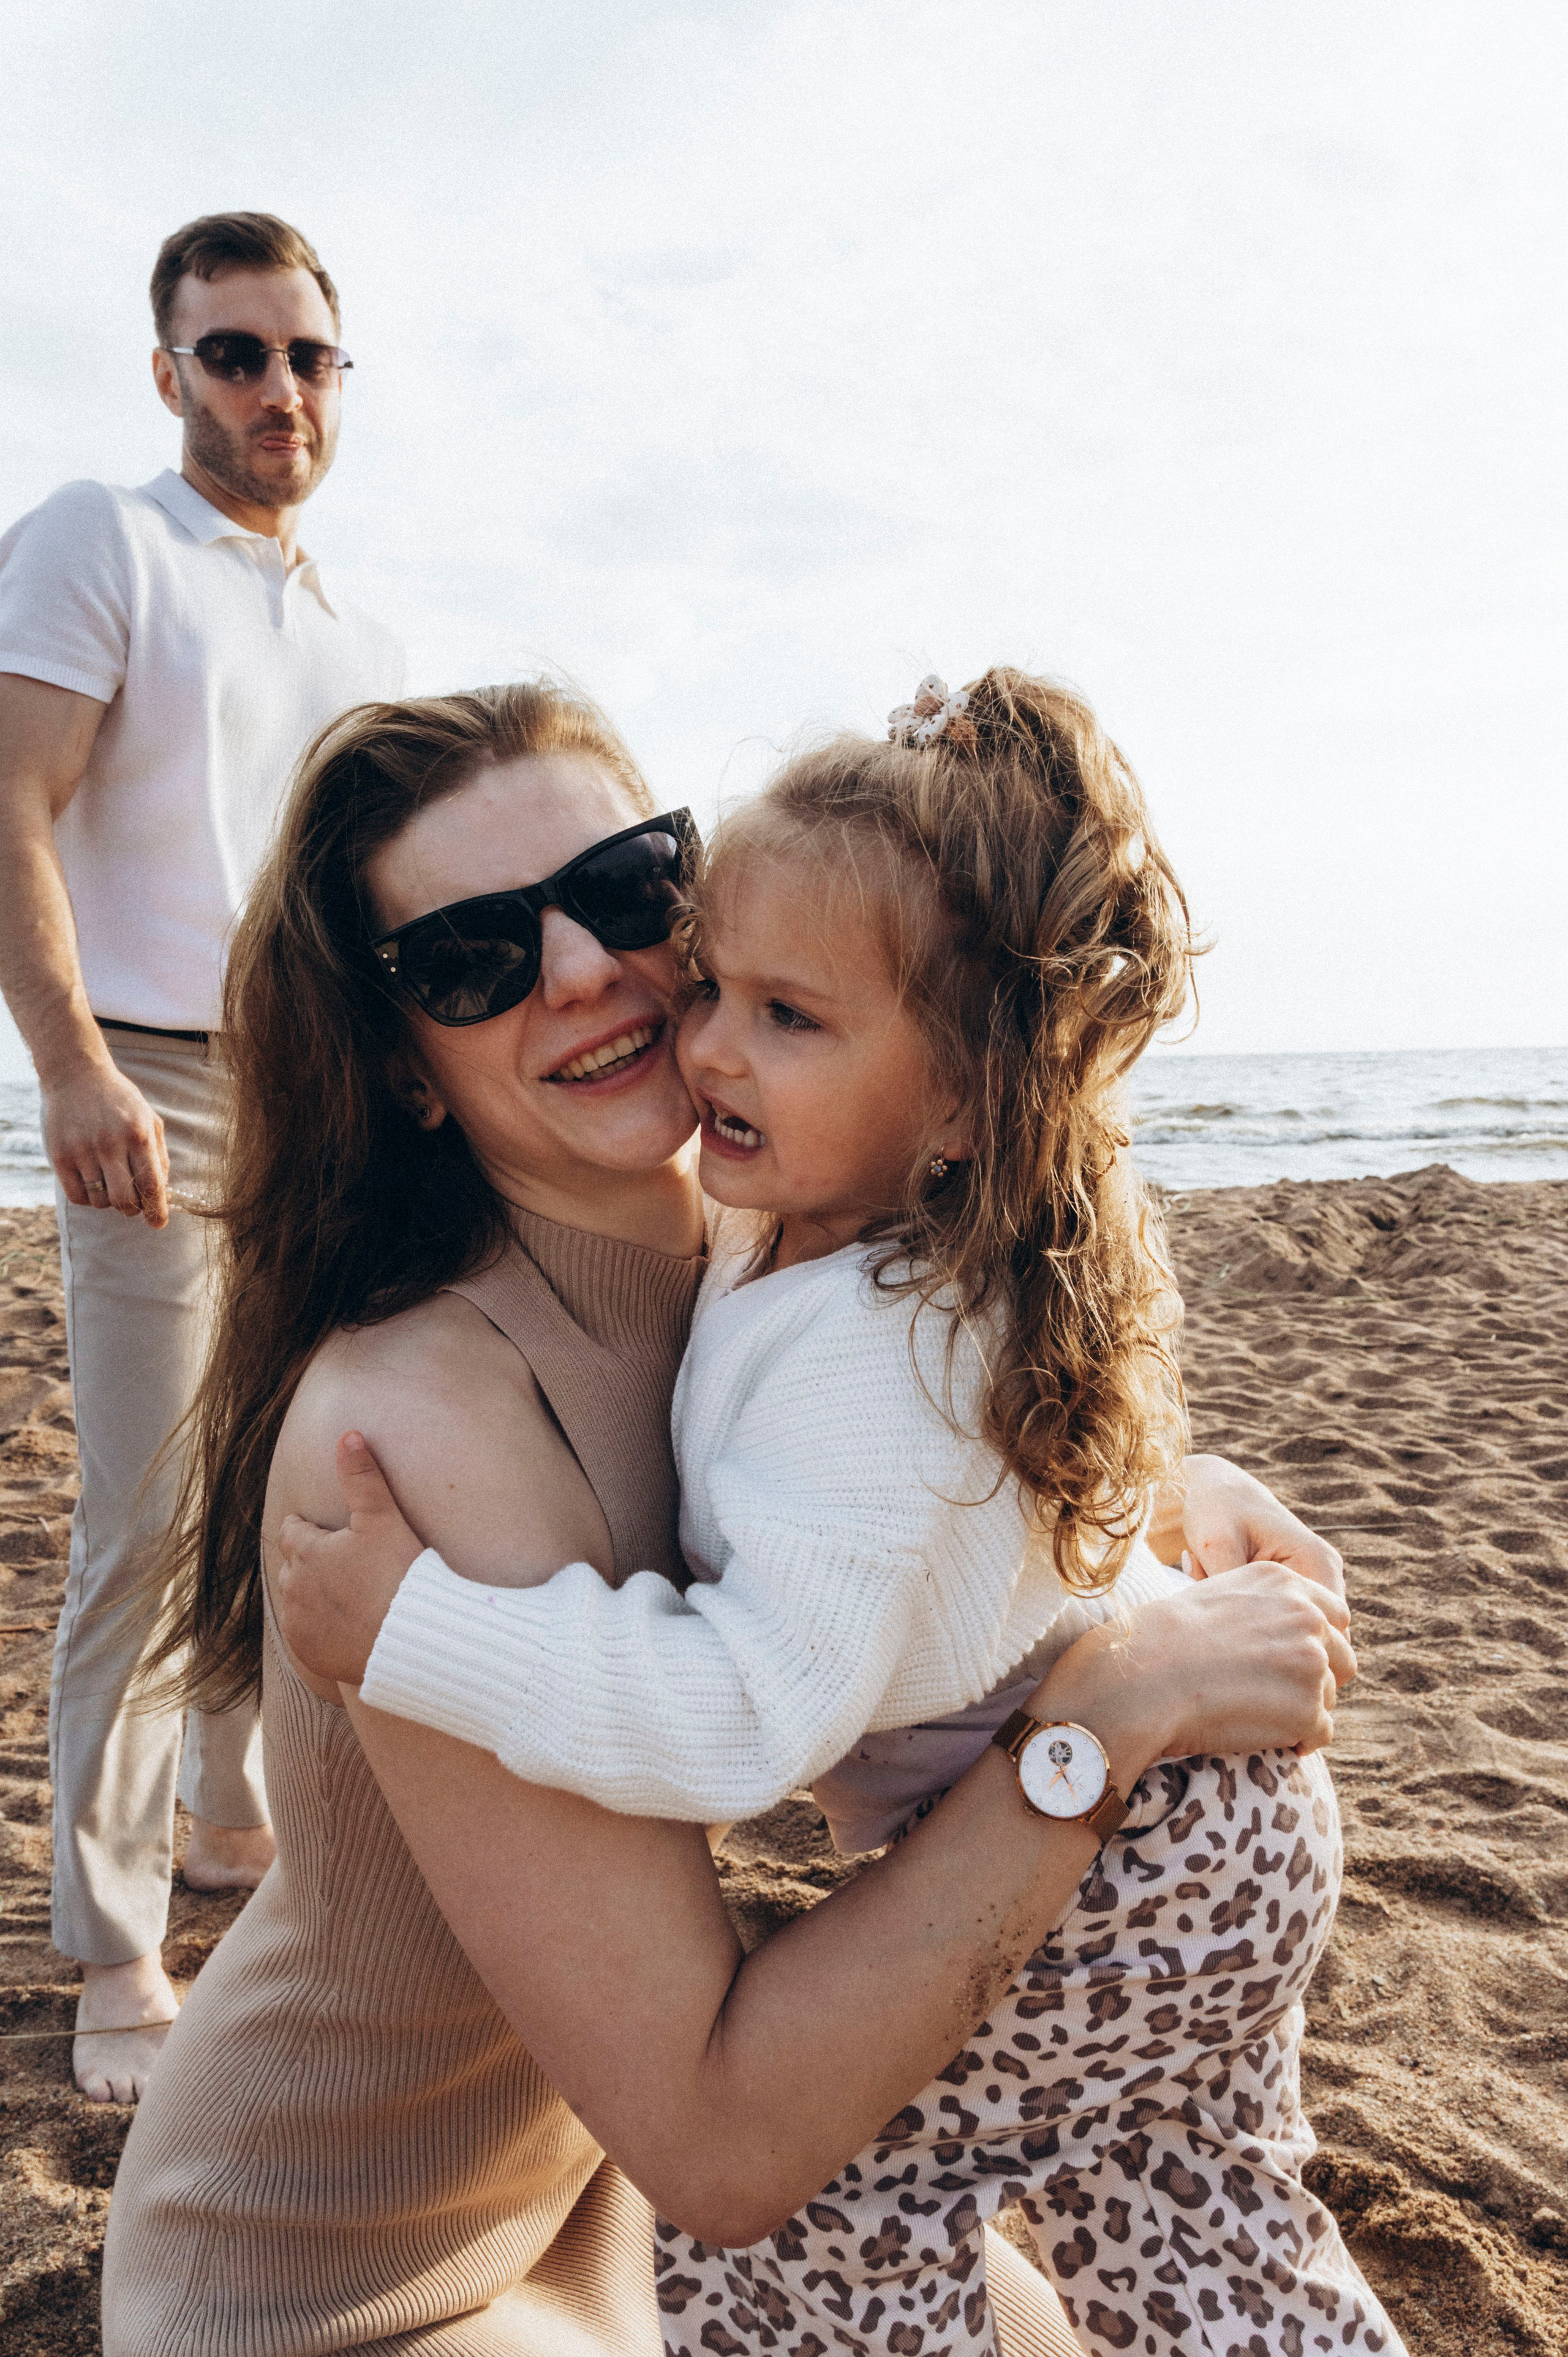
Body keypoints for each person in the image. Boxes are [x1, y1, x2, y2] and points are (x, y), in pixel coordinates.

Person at [104, 681, 1357, 2356]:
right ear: (404, 1072)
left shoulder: (765, 1235)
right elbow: (728, 2144)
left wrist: (1143, 1507)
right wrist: (1111, 1709)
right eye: (472, 961)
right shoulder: (417, 1426)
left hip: (604, 2178)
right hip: (344, 2265)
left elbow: (935, 1423)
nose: (579, 969)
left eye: (622, 891)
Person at [0, 209, 402, 2102]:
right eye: (234, 354)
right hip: (147, 1083)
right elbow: (11, 798)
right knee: (148, 1525)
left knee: (288, 1485)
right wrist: (69, 1067)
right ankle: (110, 1954)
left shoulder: (348, 629)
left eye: (306, 357)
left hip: (322, 1097)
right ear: (169, 371)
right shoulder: (105, 539)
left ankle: (241, 1837)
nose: (274, 389)